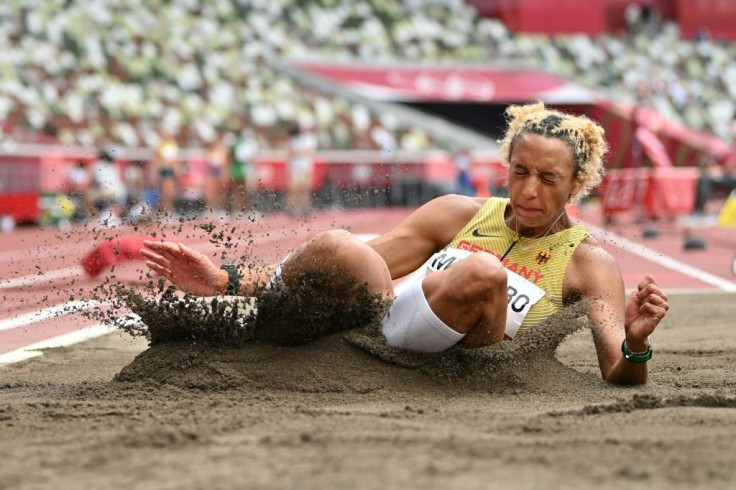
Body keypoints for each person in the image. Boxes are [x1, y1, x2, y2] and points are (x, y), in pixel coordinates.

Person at [141, 102, 670, 385]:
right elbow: (368, 263)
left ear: (576, 185)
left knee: (483, 275)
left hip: (469, 361)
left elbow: (618, 376)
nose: (529, 191)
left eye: (548, 180)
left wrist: (638, 342)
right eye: (520, 171)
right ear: (506, 167)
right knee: (340, 245)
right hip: (387, 326)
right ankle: (243, 328)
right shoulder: (458, 213)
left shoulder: (587, 263)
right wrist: (227, 278)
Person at [152, 131, 181, 215]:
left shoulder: (173, 144)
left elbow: (176, 159)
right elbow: (157, 159)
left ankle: (169, 209)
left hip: (170, 170)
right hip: (164, 170)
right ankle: (166, 210)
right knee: (165, 191)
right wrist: (157, 170)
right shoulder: (160, 145)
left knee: (170, 191)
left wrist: (177, 169)